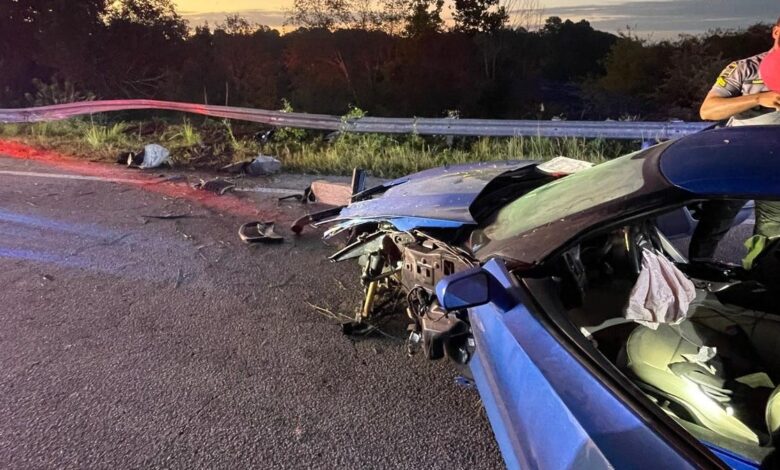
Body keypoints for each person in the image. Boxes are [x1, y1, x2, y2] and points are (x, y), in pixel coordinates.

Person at [690, 16, 780, 261]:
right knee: (714, 224)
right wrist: (757, 99)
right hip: (739, 162)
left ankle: (761, 282)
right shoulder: (743, 68)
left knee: (772, 236)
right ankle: (695, 277)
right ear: (776, 32)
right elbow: (708, 111)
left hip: (775, 168)